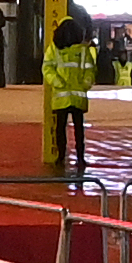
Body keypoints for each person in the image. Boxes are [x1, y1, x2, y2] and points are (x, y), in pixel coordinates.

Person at [43, 12, 95, 180]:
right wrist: (85, 84)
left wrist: (57, 82)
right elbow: (90, 70)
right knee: (79, 128)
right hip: (78, 95)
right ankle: (80, 157)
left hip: (61, 95)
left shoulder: (53, 49)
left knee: (61, 128)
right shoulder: (83, 51)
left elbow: (47, 68)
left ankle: (60, 157)